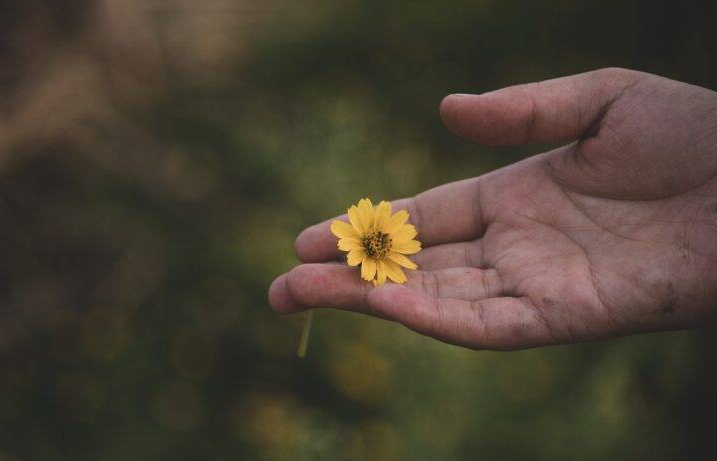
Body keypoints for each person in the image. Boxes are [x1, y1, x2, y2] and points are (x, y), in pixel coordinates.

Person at [268, 67, 717, 350]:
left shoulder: (385, 249)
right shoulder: (365, 244)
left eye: (379, 240)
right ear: (370, 239)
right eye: (376, 240)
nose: (378, 240)